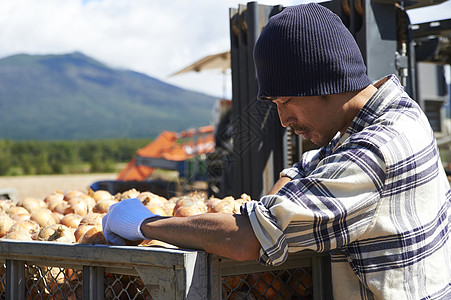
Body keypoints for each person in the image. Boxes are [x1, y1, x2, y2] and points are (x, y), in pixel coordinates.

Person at [102, 3, 451, 299]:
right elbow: (311, 164)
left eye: (286, 101)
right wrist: (276, 203)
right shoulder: (396, 113)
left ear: (327, 80)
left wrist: (145, 224)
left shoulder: (375, 151)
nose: (284, 120)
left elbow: (244, 241)